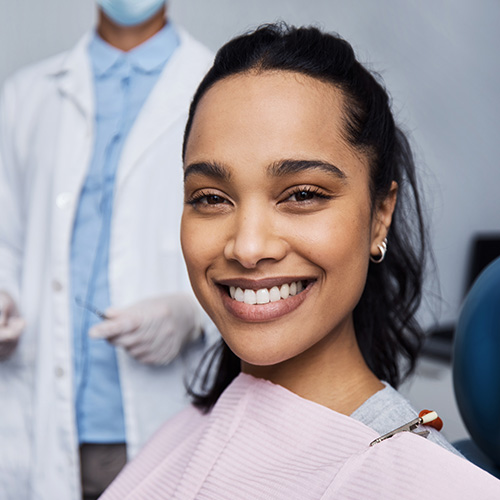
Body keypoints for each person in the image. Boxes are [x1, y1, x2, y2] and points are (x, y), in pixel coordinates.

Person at [99, 23, 500, 499]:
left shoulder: (428, 483)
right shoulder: (180, 433)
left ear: (379, 216)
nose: (247, 248)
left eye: (303, 194)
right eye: (211, 198)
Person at [0, 1, 214, 499]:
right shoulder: (26, 96)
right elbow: (5, 239)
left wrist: (194, 314)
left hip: (161, 419)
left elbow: (250, 236)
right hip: (38, 421)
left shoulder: (217, 86)